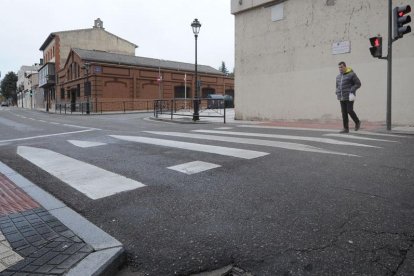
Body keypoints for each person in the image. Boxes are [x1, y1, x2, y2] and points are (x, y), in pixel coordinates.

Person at [335, 61, 361, 133]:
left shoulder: (352, 74)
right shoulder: (338, 77)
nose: (340, 68)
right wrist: (337, 92)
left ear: (345, 67)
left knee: (349, 110)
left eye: (341, 67)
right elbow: (337, 86)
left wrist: (352, 89)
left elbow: (358, 84)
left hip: (350, 96)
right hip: (341, 97)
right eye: (339, 67)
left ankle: (357, 122)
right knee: (344, 113)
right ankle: (346, 129)